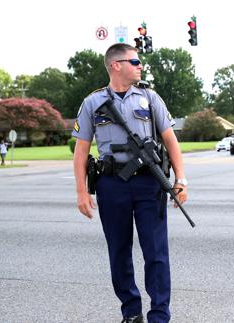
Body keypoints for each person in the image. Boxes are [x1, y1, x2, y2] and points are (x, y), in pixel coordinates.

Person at [72, 43, 188, 323]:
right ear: (116, 65)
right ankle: (131, 311)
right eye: (135, 62)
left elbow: (170, 139)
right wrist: (81, 192)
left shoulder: (149, 97)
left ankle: (159, 315)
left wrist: (180, 179)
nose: (140, 66)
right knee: (119, 251)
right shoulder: (92, 102)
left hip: (150, 183)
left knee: (156, 253)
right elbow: (82, 150)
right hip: (112, 185)